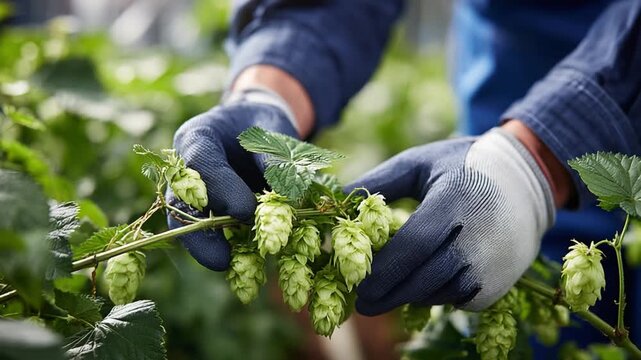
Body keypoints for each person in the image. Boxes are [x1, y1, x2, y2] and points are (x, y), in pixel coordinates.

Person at [167, 0, 641, 353]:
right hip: (502, 113)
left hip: (558, 131)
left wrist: (545, 151)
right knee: (503, 297)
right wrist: (272, 88)